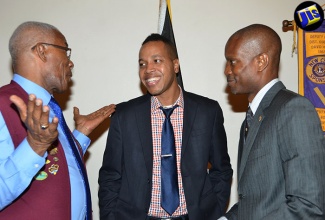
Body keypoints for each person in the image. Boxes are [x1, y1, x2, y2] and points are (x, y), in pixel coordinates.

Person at [98, 33, 233, 220]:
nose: (148, 70)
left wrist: (214, 211)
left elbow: (222, 169)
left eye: (157, 60)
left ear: (175, 65)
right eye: (142, 64)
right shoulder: (124, 115)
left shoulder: (207, 111)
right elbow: (110, 176)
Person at [0, 21, 116, 219]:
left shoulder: (49, 107)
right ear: (42, 51)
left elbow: (56, 167)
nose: (70, 62)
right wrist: (35, 145)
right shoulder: (4, 104)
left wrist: (79, 136)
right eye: (65, 50)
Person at [221, 24, 325, 220]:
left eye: (232, 61)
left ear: (261, 61)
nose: (227, 70)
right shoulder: (251, 119)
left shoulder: (293, 109)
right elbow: (256, 200)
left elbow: (308, 205)